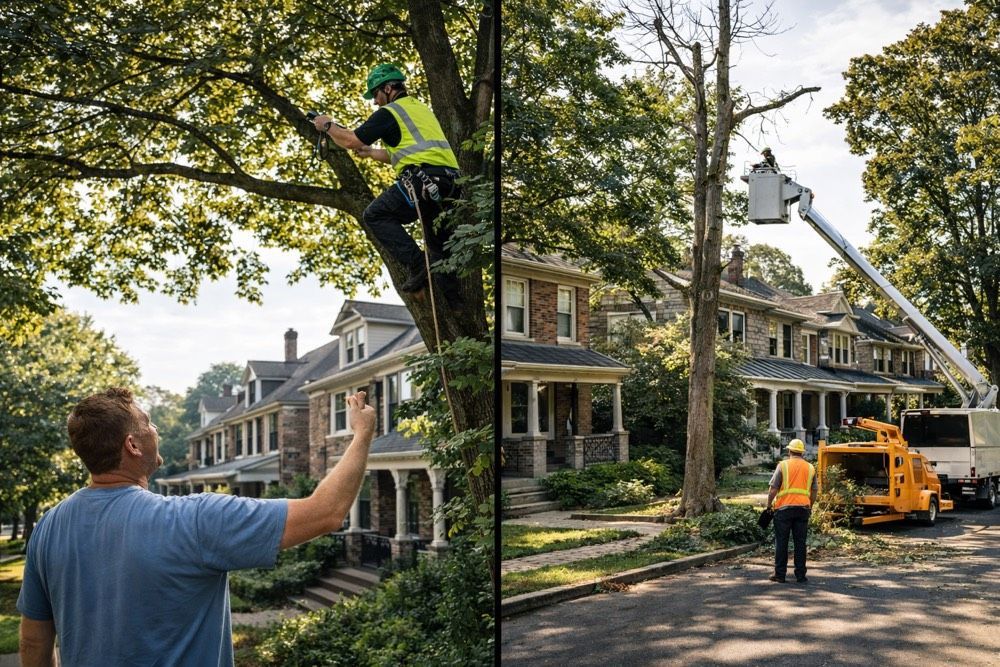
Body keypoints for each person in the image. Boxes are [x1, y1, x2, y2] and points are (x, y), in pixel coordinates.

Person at [17, 387, 375, 666]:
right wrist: (361, 435)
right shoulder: (195, 520)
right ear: (133, 444)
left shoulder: (49, 527)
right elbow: (326, 512)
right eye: (149, 424)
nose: (156, 429)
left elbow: (34, 642)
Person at [311, 63, 461, 293]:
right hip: (449, 184)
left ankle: (419, 265)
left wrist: (327, 125)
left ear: (389, 88)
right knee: (441, 253)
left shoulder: (390, 112)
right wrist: (371, 153)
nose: (375, 101)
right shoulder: (419, 110)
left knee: (375, 215)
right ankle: (454, 302)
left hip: (422, 180)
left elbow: (351, 140)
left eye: (376, 95)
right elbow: (408, 153)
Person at [766, 438, 817, 584]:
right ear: (802, 453)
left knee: (781, 542)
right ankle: (800, 575)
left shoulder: (783, 465)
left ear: (789, 451)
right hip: (803, 509)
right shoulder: (810, 468)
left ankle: (780, 575)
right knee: (800, 542)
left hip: (783, 509)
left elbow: (773, 489)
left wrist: (769, 505)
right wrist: (810, 505)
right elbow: (814, 492)